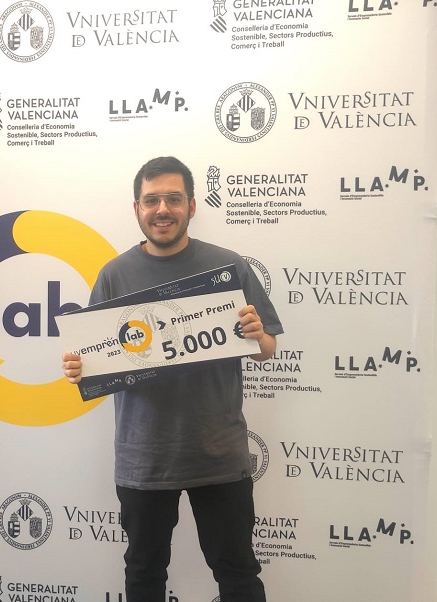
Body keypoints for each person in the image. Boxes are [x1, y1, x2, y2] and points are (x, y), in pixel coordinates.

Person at [61, 156, 283, 602]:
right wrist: (79, 369)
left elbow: (266, 348)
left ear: (192, 206)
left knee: (238, 573)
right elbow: (94, 356)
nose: (162, 209)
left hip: (218, 454)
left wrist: (258, 335)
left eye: (173, 199)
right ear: (137, 209)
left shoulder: (228, 267)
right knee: (144, 575)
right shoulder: (114, 275)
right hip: (144, 457)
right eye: (151, 200)